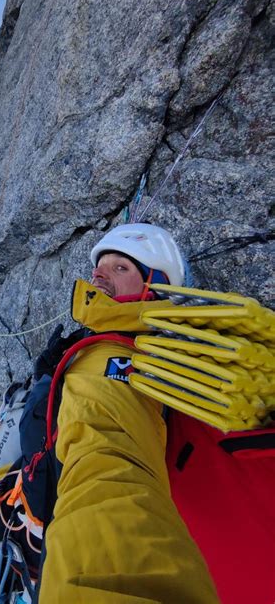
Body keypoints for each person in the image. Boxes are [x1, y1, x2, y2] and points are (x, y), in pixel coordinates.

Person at [38, 223, 222, 603]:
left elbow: (108, 459)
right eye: (100, 266)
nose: (99, 274)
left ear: (152, 289)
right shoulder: (108, 341)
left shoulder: (137, 357)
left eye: (120, 268)